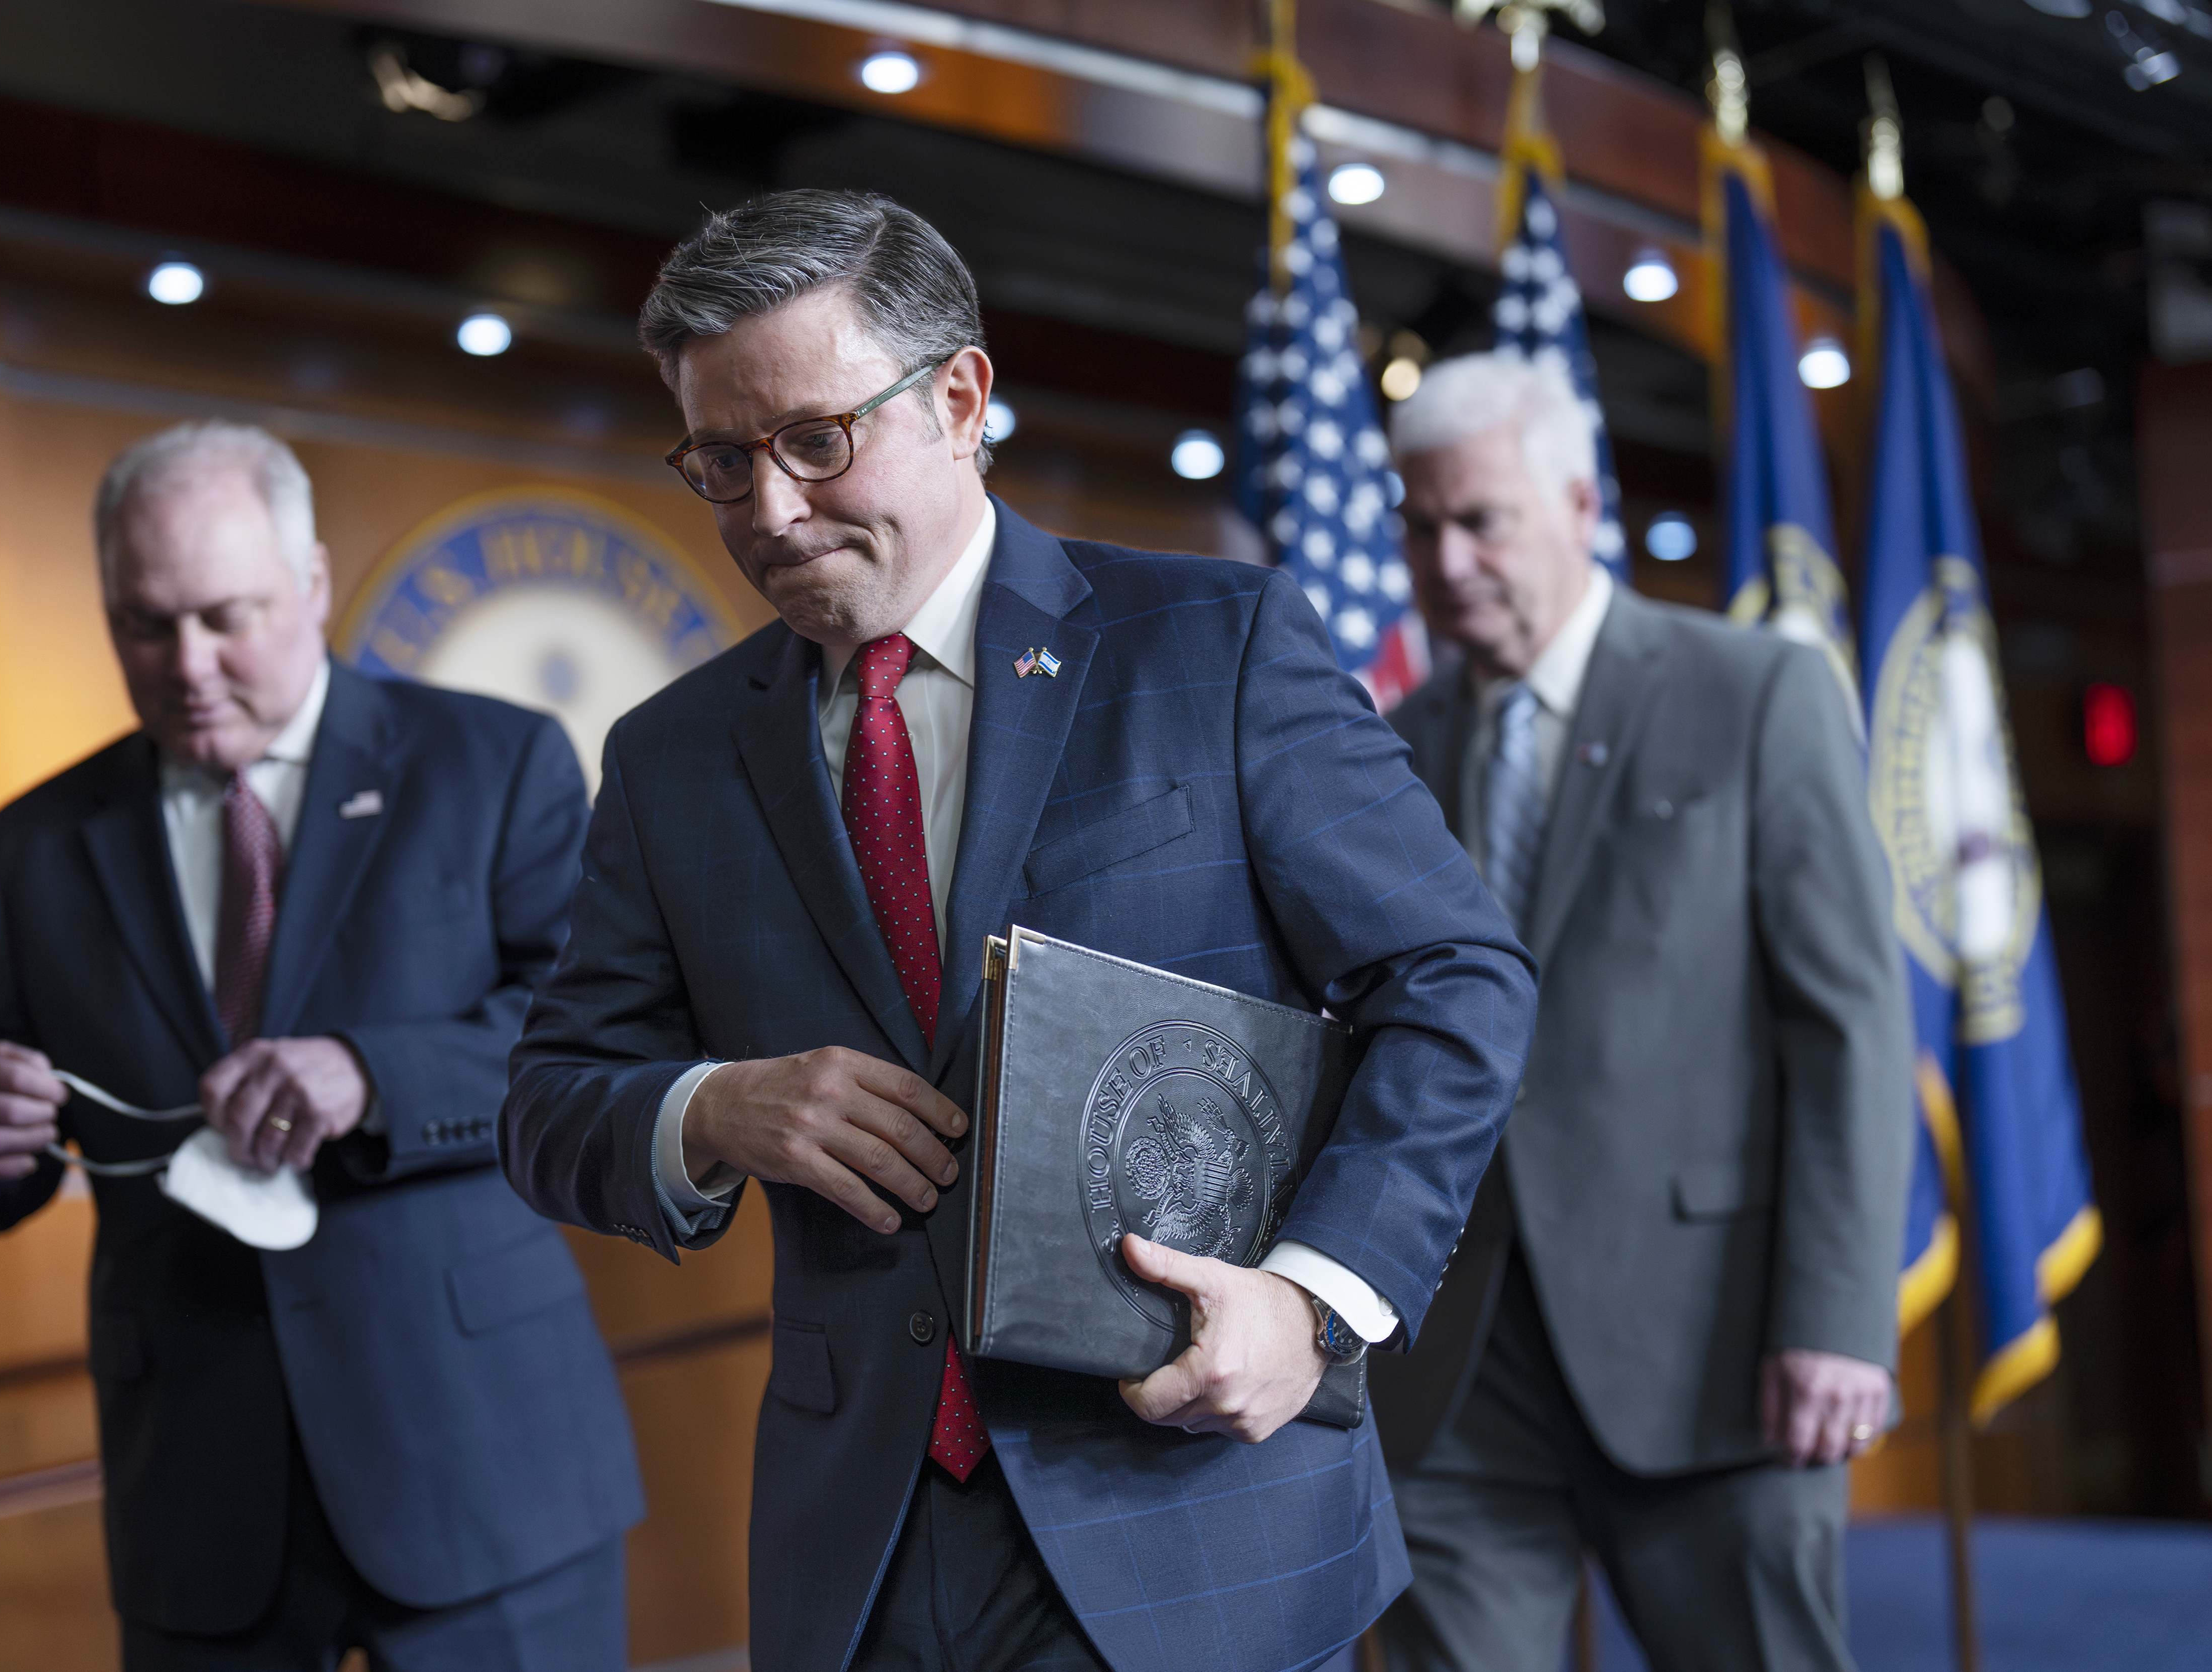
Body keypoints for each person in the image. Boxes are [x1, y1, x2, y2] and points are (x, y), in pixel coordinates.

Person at [501, 189, 1534, 1672]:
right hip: (862, 1548)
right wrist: (713, 1107)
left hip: (1196, 1510)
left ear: (962, 397)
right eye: (721, 462)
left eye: (813, 440)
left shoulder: (1211, 645)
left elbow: (1457, 980)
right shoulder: (671, 757)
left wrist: (1313, 1304)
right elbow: (549, 1102)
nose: (770, 513)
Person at [0, 421, 643, 1670]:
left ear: (313, 584)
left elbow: (592, 1040)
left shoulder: (494, 763)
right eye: (143, 623)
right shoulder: (28, 846)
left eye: (226, 616)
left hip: (483, 1466)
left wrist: (373, 1071)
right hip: (198, 1492)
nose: (186, 663)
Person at [1370, 354, 1915, 1672]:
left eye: (1482, 518)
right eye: (1421, 521)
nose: (1447, 560)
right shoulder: (1394, 743)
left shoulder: (1757, 694)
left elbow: (1849, 1026)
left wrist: (1839, 1315)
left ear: (1578, 503)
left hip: (1717, 1346)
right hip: (1458, 1370)